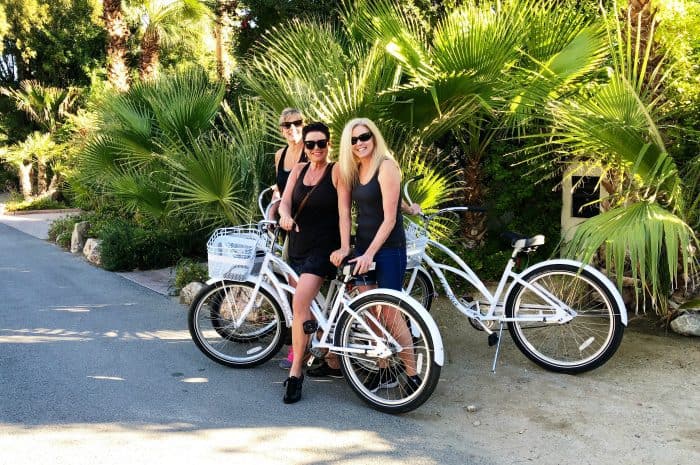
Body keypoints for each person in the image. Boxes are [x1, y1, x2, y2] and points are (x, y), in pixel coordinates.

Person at [330, 117, 422, 393]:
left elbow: (390, 217)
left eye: (365, 137)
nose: (360, 143)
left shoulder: (387, 166)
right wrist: (347, 248)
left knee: (392, 314)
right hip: (362, 249)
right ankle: (384, 370)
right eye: (354, 139)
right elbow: (344, 214)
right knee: (369, 312)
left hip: (388, 249)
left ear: (374, 137)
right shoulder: (351, 170)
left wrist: (369, 254)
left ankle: (412, 373)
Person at [278, 122, 341, 404]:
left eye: (322, 143)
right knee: (309, 310)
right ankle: (333, 360)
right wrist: (285, 215)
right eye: (311, 144)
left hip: (324, 249)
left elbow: (349, 207)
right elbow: (284, 201)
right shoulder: (299, 170)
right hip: (298, 248)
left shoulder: (337, 170)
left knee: (300, 304)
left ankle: (295, 372)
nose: (317, 149)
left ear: (329, 144)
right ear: (304, 146)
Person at [271, 108, 307, 370]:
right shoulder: (280, 155)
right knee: (295, 290)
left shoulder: (314, 148)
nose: (292, 128)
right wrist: (274, 205)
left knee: (303, 293)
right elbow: (280, 189)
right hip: (287, 228)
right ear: (281, 128)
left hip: (310, 227)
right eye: (287, 124)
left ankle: (303, 349)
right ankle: (301, 346)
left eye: (297, 123)